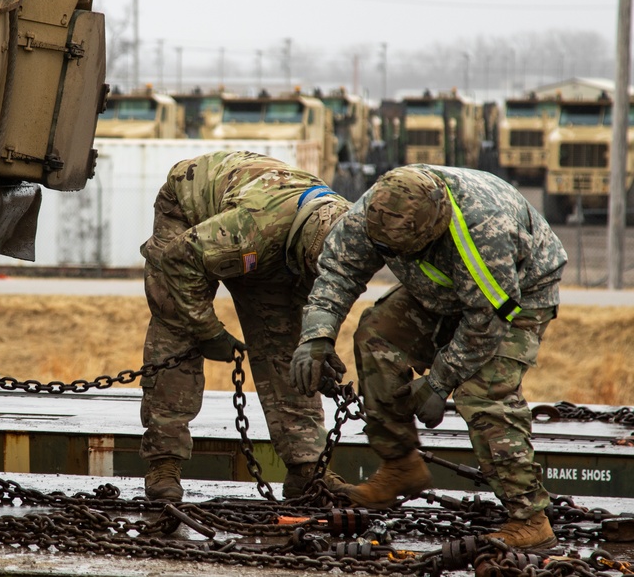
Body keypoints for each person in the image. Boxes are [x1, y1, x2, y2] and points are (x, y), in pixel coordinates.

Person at [291, 164, 567, 550]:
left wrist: (440, 380)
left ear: (429, 233)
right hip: (440, 286)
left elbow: (486, 319)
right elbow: (339, 269)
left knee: (482, 392)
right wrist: (316, 335)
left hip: (514, 295)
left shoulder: (481, 232)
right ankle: (400, 464)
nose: (387, 257)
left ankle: (529, 518)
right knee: (377, 336)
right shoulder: (379, 209)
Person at [139, 150, 350, 502]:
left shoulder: (343, 231)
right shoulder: (248, 231)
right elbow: (179, 260)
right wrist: (209, 331)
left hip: (270, 243)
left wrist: (316, 342)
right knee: (177, 327)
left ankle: (306, 469)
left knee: (286, 346)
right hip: (192, 214)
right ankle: (164, 463)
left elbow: (315, 302)